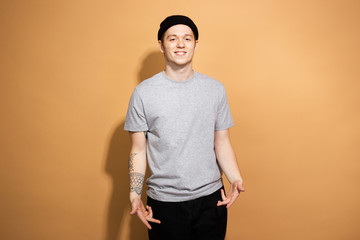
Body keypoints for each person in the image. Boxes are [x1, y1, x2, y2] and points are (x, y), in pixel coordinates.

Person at [124, 15, 245, 240]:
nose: (181, 44)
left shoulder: (215, 89)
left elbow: (222, 141)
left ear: (195, 45)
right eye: (173, 39)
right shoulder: (143, 93)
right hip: (164, 204)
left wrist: (235, 178)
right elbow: (138, 150)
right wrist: (134, 195)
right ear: (161, 45)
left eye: (187, 39)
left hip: (211, 200)